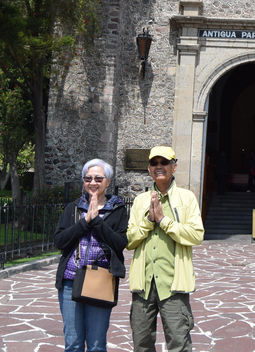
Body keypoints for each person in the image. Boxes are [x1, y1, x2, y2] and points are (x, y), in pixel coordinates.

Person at [126, 146, 205, 352]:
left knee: (179, 344)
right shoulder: (140, 201)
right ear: (149, 168)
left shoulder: (187, 198)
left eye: (164, 163)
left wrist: (163, 221)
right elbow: (130, 240)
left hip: (173, 283)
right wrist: (149, 221)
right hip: (143, 284)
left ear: (174, 166)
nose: (159, 167)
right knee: (141, 345)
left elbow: (196, 235)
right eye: (154, 163)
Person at [54, 159, 128, 352]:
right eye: (88, 178)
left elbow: (120, 243)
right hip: (71, 280)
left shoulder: (117, 209)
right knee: (73, 343)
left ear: (108, 181)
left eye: (98, 178)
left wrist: (97, 222)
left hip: (101, 280)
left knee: (96, 345)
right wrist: (85, 221)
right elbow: (60, 241)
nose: (93, 182)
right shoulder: (74, 208)